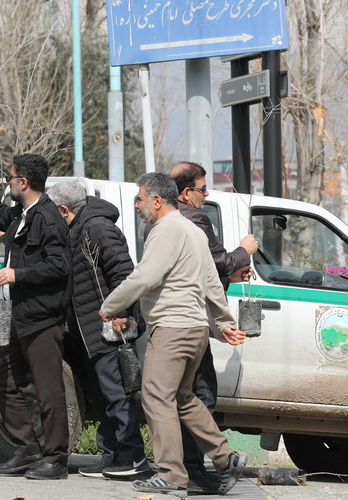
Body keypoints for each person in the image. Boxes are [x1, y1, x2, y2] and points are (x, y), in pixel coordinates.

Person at [100, 173, 248, 498]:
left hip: (171, 328)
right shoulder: (193, 230)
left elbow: (145, 277)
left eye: (140, 199)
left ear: (156, 200)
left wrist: (110, 306)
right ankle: (226, 458)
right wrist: (223, 322)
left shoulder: (165, 230)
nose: (137, 206)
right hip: (195, 329)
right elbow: (212, 281)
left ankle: (170, 475)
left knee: (156, 397)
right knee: (183, 398)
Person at [0, 155, 72, 480]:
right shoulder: (22, 215)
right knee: (2, 380)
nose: (8, 183)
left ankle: (56, 459)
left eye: (10, 178)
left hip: (40, 319)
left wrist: (17, 275)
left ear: (24, 182)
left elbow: (59, 266)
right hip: (11, 315)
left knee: (48, 390)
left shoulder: (48, 218)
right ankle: (27, 450)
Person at [46, 179, 148, 481]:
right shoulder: (76, 228)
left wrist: (121, 314)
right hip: (91, 333)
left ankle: (133, 459)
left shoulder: (98, 228)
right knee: (105, 398)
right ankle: (112, 458)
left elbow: (124, 274)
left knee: (118, 396)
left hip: (110, 330)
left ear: (64, 210)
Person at [168, 161, 256, 484]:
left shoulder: (169, 220)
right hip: (192, 321)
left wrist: (230, 274)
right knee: (199, 395)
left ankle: (186, 467)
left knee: (182, 395)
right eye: (203, 189)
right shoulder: (195, 219)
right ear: (185, 192)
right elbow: (218, 262)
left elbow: (201, 271)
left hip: (174, 320)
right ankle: (192, 468)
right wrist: (244, 251)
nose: (206, 195)